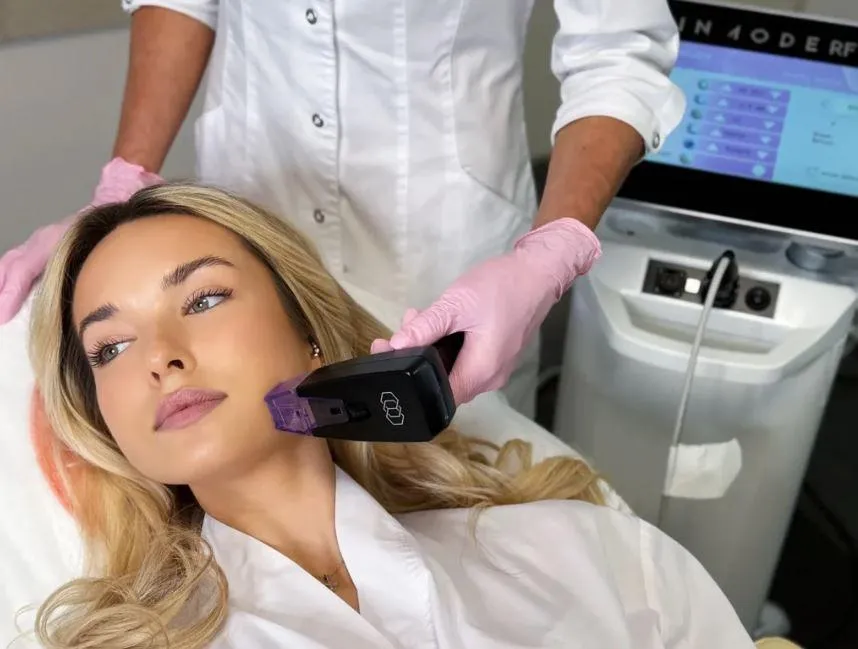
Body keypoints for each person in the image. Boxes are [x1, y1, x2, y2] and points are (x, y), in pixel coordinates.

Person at [23, 183, 753, 649]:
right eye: (111, 346)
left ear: (307, 331)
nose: (160, 357)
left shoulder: (583, 549)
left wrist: (555, 245)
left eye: (204, 299)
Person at [0, 1, 687, 420]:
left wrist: (551, 251)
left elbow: (617, 53)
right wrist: (123, 184)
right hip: (249, 225)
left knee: (449, 484)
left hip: (440, 254)